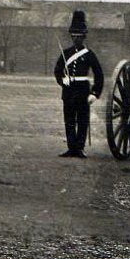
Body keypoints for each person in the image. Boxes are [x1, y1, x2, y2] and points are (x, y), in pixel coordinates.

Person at [53, 10, 104, 158]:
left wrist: (95, 93)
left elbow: (99, 74)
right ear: (71, 36)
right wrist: (62, 80)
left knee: (82, 120)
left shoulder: (89, 54)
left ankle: (80, 148)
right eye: (74, 36)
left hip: (83, 91)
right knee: (69, 120)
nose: (76, 39)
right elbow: (57, 70)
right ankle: (71, 148)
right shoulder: (66, 53)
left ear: (83, 37)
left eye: (79, 36)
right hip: (69, 91)